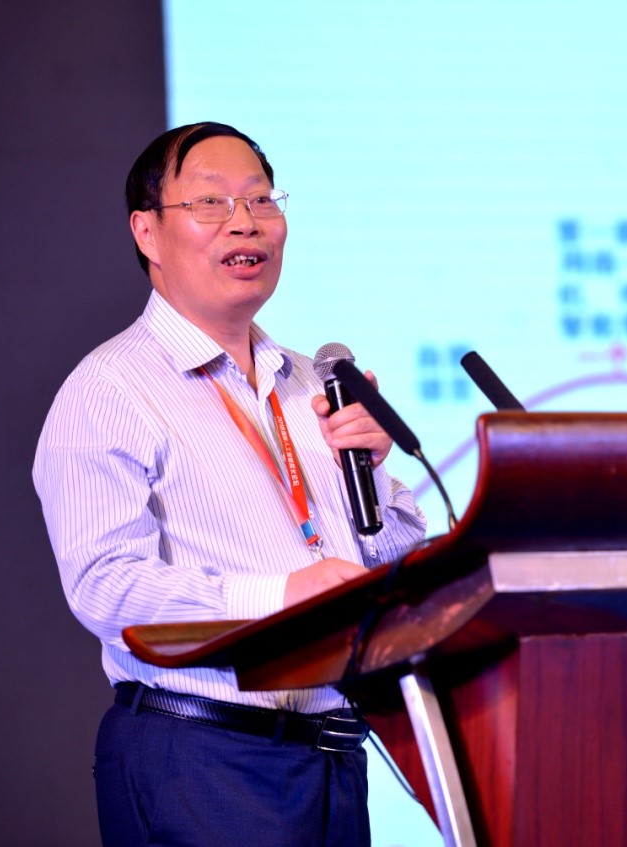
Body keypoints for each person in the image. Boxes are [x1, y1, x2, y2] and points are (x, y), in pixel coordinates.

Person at [33, 121, 427, 846]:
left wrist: (373, 476)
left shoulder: (311, 383)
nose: (245, 222)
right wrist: (280, 596)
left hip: (334, 758)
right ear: (147, 232)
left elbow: (390, 570)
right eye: (210, 202)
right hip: (202, 759)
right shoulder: (110, 390)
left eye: (261, 200)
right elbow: (104, 587)